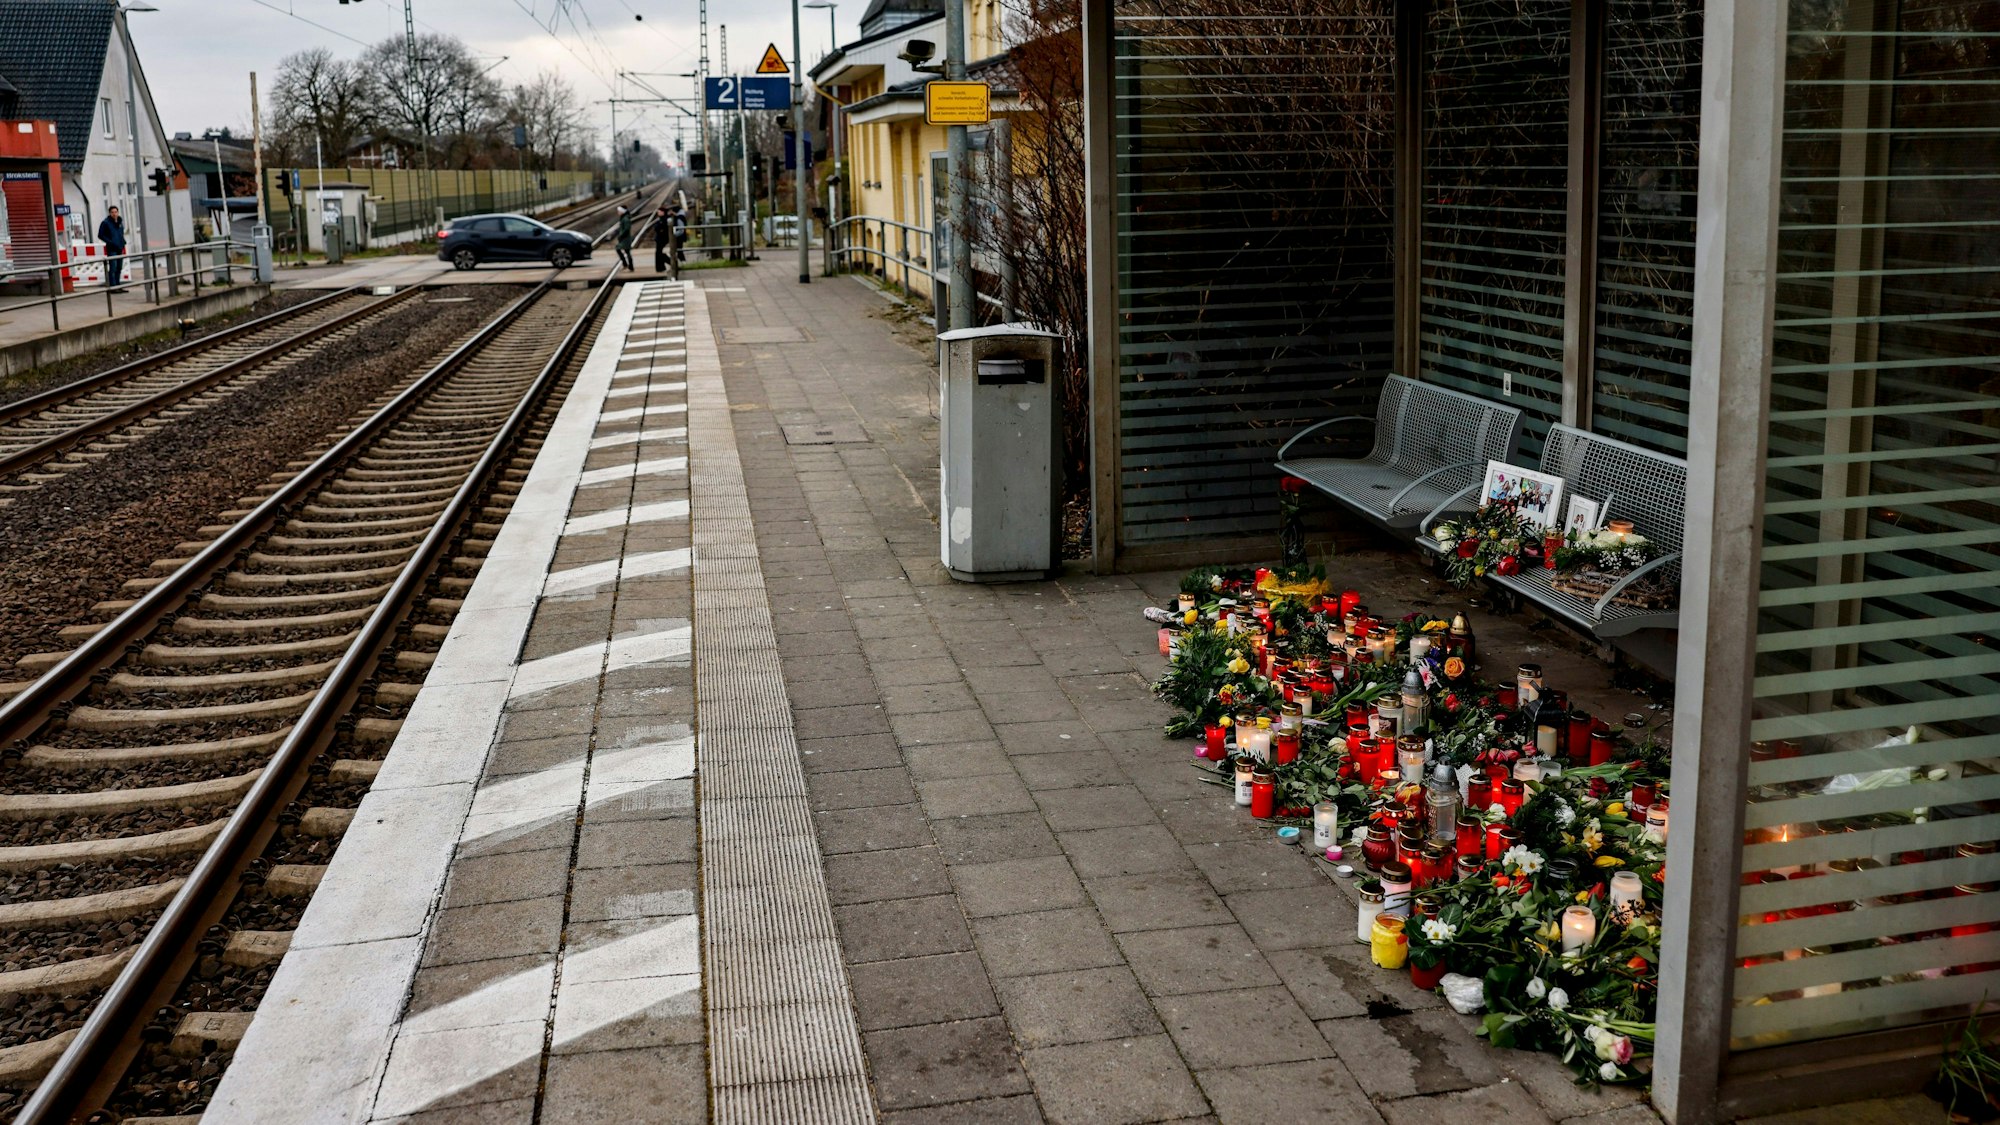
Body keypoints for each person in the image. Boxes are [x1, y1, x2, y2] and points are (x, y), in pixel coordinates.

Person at [97, 206, 127, 292]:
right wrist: (110, 242)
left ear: (118, 212)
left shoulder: (120, 222)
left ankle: (118, 285)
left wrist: (122, 242)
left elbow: (121, 233)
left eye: (116, 212)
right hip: (112, 248)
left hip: (119, 247)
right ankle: (112, 287)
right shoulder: (106, 223)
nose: (114, 214)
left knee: (119, 267)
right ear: (110, 213)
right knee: (113, 267)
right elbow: (100, 235)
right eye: (112, 212)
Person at [652, 205, 672, 275]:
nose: (658, 213)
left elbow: (660, 228)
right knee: (658, 253)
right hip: (660, 238)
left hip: (662, 238)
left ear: (663, 212)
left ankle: (670, 263)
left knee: (658, 253)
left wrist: (659, 228)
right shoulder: (662, 219)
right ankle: (661, 267)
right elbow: (657, 228)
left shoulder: (665, 219)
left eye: (659, 212)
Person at [613, 205, 634, 269]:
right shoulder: (623, 218)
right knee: (627, 252)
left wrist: (621, 235)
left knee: (619, 249)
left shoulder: (625, 219)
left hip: (625, 238)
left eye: (619, 211)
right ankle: (629, 266)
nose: (618, 213)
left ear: (622, 211)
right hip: (624, 238)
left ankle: (627, 265)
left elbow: (627, 229)